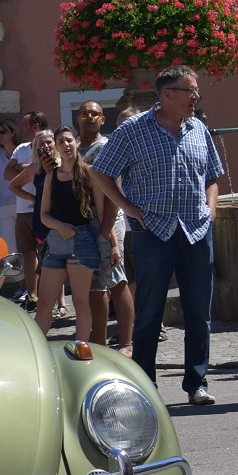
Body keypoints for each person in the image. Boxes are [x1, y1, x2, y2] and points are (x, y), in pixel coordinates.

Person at [92, 65, 224, 405]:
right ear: (167, 95)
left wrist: (211, 209)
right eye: (189, 90)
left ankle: (197, 382)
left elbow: (212, 175)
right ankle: (146, 383)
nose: (196, 96)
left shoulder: (198, 128)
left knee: (199, 311)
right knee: (149, 312)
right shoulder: (134, 130)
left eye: (196, 90)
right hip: (153, 231)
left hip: (196, 230)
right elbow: (101, 173)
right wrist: (128, 207)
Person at [35, 126, 112, 341]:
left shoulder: (89, 172)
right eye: (61, 142)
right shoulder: (52, 175)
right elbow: (44, 215)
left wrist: (112, 243)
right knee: (44, 303)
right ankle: (36, 349)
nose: (66, 145)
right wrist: (60, 226)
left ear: (76, 142)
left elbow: (102, 211)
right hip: (56, 242)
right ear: (56, 148)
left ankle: (81, 346)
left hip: (83, 240)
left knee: (80, 301)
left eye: (69, 140)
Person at [79, 101, 135, 356]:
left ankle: (126, 342)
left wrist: (108, 230)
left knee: (116, 279)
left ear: (103, 119)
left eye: (95, 114)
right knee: (94, 284)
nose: (89, 117)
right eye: (84, 113)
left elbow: (114, 190)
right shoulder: (77, 148)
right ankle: (99, 344)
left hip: (108, 220)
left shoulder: (106, 146)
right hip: (86, 221)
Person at [4, 111, 50, 307]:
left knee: (48, 255)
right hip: (23, 209)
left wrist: (23, 167)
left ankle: (55, 299)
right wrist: (30, 167)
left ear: (36, 126)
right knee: (28, 255)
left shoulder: (49, 144)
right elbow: (7, 174)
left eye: (24, 125)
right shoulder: (21, 148)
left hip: (43, 211)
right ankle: (33, 296)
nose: (21, 129)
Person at [0, 118, 20, 258]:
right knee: (10, 250)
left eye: (3, 132)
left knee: (26, 247)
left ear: (13, 133)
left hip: (22, 204)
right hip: (3, 205)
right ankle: (19, 280)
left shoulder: (23, 151)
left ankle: (31, 280)